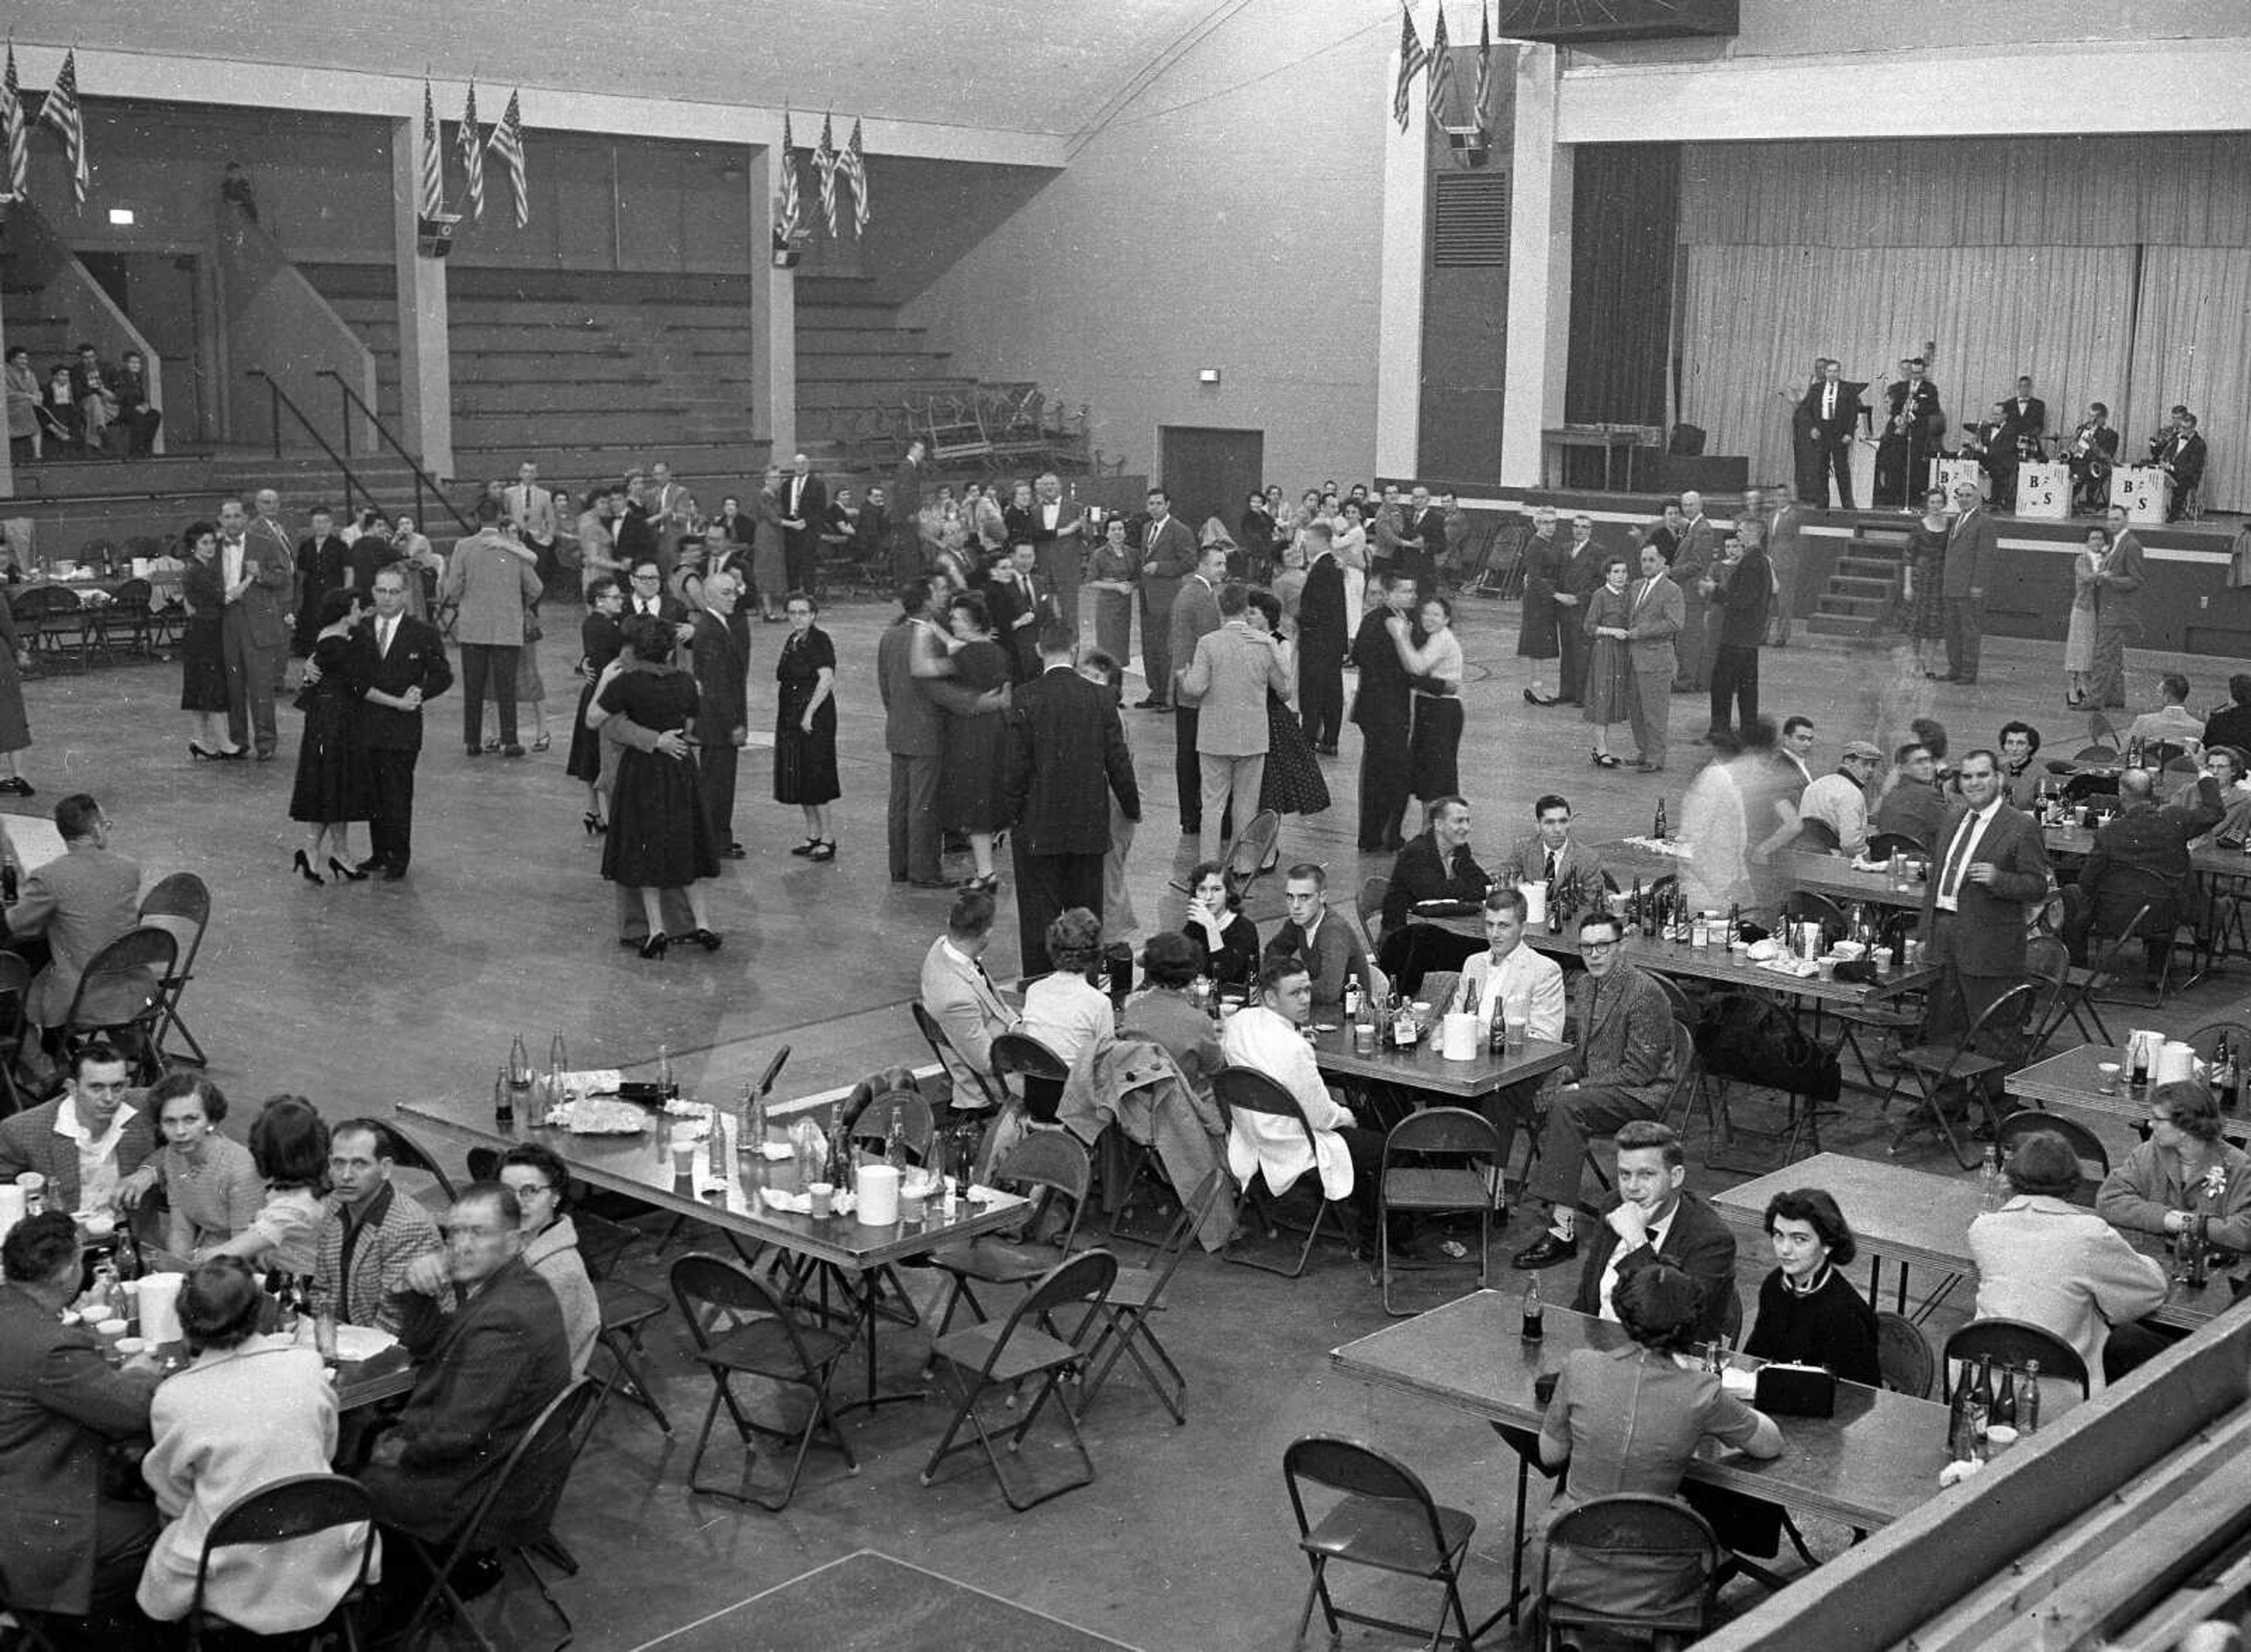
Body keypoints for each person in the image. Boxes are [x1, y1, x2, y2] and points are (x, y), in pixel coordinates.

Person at [135, 1255, 371, 1636]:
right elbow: (326, 1452)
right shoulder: (308, 1366)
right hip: (324, 1556)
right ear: (260, 1311)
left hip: (229, 1573)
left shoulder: (174, 1396)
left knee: (172, 1534)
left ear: (186, 1325)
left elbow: (172, 1496)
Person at [1537, 1262, 1780, 1619]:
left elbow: (1549, 1453)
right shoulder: (1702, 1391)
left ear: (1624, 1311)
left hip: (1565, 1565)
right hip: (1657, 1579)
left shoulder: (1580, 1366)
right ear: (1687, 1327)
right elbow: (1770, 1443)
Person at [358, 1183, 574, 1544]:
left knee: (346, 1480)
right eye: (454, 1232)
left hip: (482, 1490)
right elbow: (428, 1343)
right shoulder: (516, 1286)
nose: (461, 1245)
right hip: (494, 1464)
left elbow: (457, 1435)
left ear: (514, 1241)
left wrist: (402, 1451)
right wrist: (418, 1291)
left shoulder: (504, 1317)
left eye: (478, 1232)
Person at [0, 1211, 162, 1630]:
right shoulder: (52, 1347)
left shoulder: (16, 1315)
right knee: (162, 1523)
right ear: (71, 1269)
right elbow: (130, 1412)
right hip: (29, 1526)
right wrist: (142, 1371)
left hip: (17, 1489)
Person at [1512, 919, 1679, 1271]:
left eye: (1603, 945)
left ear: (1621, 945)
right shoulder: (1587, 986)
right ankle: (1493, 1195)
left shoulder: (1643, 991)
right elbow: (1585, 1055)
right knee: (1514, 1083)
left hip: (1640, 1093)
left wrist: (1575, 1086)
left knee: (1568, 1106)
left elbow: (1640, 1071)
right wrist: (1562, 1073)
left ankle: (1562, 1231)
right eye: (1587, 947)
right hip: (1601, 1086)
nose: (1595, 954)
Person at [1970, 1130, 2168, 1392]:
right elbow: (2147, 1294)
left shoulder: (1983, 1229)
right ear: (2074, 1181)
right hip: (2060, 1392)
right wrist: (2145, 1262)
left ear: (2012, 1176)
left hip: (1981, 1382)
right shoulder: (2090, 1234)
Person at [1220, 957, 1387, 1251]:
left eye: (1308, 990)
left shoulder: (1238, 1022)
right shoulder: (1294, 1049)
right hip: (1292, 1141)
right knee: (1383, 1147)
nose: (1305, 1000)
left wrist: (1295, 1034)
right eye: (1295, 993)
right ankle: (1375, 1241)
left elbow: (1260, 1050)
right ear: (1270, 998)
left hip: (1250, 1135)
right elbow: (1322, 1117)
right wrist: (1348, 1116)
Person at [1005, 622, 1140, 975]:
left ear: (1039, 650)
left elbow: (1015, 766)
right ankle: (1085, 987)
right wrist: (1131, 807)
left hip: (1038, 826)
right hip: (1088, 826)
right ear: (1075, 648)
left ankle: (1038, 986)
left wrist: (1011, 814)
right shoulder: (1101, 697)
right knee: (1085, 920)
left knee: (1039, 918)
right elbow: (1118, 759)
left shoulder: (1025, 696)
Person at [598, 613, 722, 958]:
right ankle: (702, 923)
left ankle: (656, 930)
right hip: (680, 768)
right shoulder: (685, 682)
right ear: (670, 652)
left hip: (642, 771)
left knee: (645, 848)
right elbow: (692, 716)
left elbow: (602, 720)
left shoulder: (627, 683)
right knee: (687, 844)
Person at [1922, 748, 2050, 1035]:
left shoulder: (2022, 826)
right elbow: (1935, 885)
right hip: (1943, 938)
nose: (1974, 783)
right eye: (1967, 777)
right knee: (1941, 1034)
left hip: (1990, 948)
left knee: (1993, 1037)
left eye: (1982, 775)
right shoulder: (1953, 818)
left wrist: (1999, 879)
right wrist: (1925, 935)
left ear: (2000, 779)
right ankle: (1947, 1081)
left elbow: (2038, 888)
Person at [2062, 766, 2223, 984]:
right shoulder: (2176, 821)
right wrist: (2204, 773)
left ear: (2122, 793)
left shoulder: (2109, 833)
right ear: (2152, 790)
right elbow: (2215, 812)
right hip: (2166, 915)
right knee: (2163, 889)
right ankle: (2156, 973)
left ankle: (2077, 970)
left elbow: (2086, 882)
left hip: (2112, 915)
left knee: (2072, 892)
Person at [5, 794, 149, 1035]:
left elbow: (15, 925)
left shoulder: (50, 877)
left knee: (14, 984)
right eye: (106, 825)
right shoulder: (129, 868)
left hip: (80, 993)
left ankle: (42, 1060)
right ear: (96, 829)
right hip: (132, 987)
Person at [1443, 886, 1567, 1154]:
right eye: (1489, 925)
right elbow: (1456, 1017)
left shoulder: (1544, 971)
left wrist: (1484, 1039)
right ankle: (1446, 1168)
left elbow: (1545, 1040)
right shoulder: (1473, 963)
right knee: (1435, 1090)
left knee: (1495, 1096)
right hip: (1470, 1063)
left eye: (1504, 926)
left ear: (1523, 928)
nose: (1495, 934)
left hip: (1517, 1071)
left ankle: (1491, 1183)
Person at [1181, 580, 1290, 862]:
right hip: (1252, 737)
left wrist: (1184, 678)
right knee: (1245, 805)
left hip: (1215, 737)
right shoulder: (1263, 645)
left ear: (1221, 608)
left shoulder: (1208, 643)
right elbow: (1285, 691)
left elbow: (1195, 688)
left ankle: (1208, 865)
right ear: (1245, 609)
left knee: (1213, 805)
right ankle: (1241, 865)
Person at [316, 1117, 444, 1335]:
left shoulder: (408, 1228)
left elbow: (392, 1327)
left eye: (359, 1164)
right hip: (343, 1341)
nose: (346, 1176)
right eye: (339, 1163)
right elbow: (321, 1289)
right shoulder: (335, 1204)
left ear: (385, 1169)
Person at [115, 1073, 261, 1259]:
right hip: (208, 1251)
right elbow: (181, 1230)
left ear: (212, 1121)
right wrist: (177, 1270)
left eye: (191, 1119)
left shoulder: (240, 1168)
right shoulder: (173, 1156)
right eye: (170, 1121)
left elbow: (245, 1248)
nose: (180, 1132)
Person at [1743, 1188, 1881, 1384]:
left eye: (1800, 1239)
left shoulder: (1845, 1312)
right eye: (1778, 1235)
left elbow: (1855, 1395)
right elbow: (1756, 1355)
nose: (1785, 1249)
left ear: (1827, 1244)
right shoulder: (1775, 1285)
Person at [441, 498, 543, 758]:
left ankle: (473, 741)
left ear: (477, 518)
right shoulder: (514, 548)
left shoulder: (463, 547)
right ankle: (510, 740)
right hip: (507, 626)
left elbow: (453, 589)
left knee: (474, 686)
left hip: (474, 627)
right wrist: (516, 604)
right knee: (506, 687)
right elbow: (536, 589)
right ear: (501, 517)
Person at [287, 589, 374, 886]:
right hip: (335, 720)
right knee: (332, 783)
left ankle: (336, 852)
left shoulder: (330, 637)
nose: (360, 612)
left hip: (327, 718)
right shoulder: (337, 643)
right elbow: (359, 683)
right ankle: (319, 850)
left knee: (333, 785)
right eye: (356, 607)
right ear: (343, 612)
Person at [191, 1095, 328, 1274]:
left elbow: (223, 1256)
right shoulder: (323, 1185)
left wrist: (195, 1256)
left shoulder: (289, 1211)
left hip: (297, 1287)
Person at [934, 591, 1014, 892]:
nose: (952, 621)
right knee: (989, 799)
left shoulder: (962, 656)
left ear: (971, 623)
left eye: (956, 618)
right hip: (997, 732)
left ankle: (986, 873)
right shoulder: (998, 652)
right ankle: (986, 870)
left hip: (970, 737)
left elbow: (931, 673)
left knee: (975, 804)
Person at [497, 1144, 599, 1378]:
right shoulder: (511, 1240)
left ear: (556, 1195)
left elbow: (531, 1362)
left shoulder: (558, 1274)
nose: (517, 1203)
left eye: (529, 1191)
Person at [919, 887, 1019, 1111]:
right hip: (1000, 1084)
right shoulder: (956, 998)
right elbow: (986, 1062)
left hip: (1005, 1036)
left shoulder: (943, 948)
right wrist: (1029, 1043)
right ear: (986, 935)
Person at [216, 495, 293, 761]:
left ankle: (266, 742)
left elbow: (283, 576)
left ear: (246, 519)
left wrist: (260, 574)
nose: (233, 521)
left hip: (258, 621)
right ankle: (238, 741)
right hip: (226, 621)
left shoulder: (264, 543)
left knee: (261, 686)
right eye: (227, 517)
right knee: (233, 686)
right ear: (220, 521)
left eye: (237, 516)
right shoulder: (214, 547)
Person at [1243, 589, 1328, 822]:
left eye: (1253, 613)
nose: (1248, 617)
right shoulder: (1246, 637)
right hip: (1251, 710)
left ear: (1267, 616)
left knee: (1273, 782)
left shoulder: (1281, 642)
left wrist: (1269, 643)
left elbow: (1287, 671)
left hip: (1273, 714)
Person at [1352, 572, 1417, 853]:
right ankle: (1389, 835)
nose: (1412, 596)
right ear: (1389, 594)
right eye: (1405, 590)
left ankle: (1372, 835)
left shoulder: (1376, 619)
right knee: (1393, 775)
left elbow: (1357, 657)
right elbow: (1406, 669)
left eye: (1413, 590)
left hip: (1375, 710)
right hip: (1387, 711)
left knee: (1377, 774)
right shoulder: (1389, 623)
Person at [773, 592, 841, 861]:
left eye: (803, 612)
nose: (797, 617)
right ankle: (813, 833)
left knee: (816, 774)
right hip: (791, 713)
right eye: (792, 613)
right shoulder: (793, 640)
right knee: (799, 773)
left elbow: (826, 679)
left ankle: (828, 837)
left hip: (814, 715)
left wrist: (809, 714)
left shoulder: (820, 640)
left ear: (813, 615)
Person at [1168, 542, 1227, 834]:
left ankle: (1189, 816)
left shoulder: (1193, 593)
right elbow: (1210, 642)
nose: (1223, 570)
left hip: (1187, 685)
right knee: (1193, 755)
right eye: (1218, 564)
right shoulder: (1201, 597)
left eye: (1224, 564)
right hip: (1196, 688)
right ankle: (1193, 816)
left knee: (1188, 754)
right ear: (1202, 565)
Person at [176, 520, 244, 760]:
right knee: (211, 686)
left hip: (202, 630)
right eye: (204, 543)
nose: (209, 547)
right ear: (194, 546)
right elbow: (224, 598)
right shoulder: (197, 570)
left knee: (199, 687)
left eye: (211, 542)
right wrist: (250, 579)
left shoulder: (201, 568)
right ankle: (224, 744)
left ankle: (201, 741)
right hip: (204, 633)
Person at [565, 576, 627, 835]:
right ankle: (603, 813)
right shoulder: (604, 626)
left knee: (591, 754)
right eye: (615, 597)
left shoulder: (595, 623)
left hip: (595, 693)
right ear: (600, 600)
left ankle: (593, 810)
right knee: (602, 755)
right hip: (605, 694)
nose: (620, 600)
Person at [1380, 795, 1488, 933]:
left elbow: (1484, 884)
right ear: (1439, 824)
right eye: (1459, 821)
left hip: (1441, 926)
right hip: (1405, 934)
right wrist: (1465, 885)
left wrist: (1456, 888)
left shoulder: (1461, 849)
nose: (1466, 828)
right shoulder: (1416, 852)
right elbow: (1432, 893)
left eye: (1468, 821)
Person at [1019, 908, 1112, 1069]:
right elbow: (1107, 1061)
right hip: (1078, 1090)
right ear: (1096, 953)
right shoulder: (1100, 1003)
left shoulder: (1034, 991)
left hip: (1036, 1088)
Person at [1706, 519, 1771, 740]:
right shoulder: (1759, 560)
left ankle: (1720, 730)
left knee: (1723, 684)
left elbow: (1743, 600)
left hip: (1737, 636)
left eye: (1742, 531)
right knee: (1747, 688)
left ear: (1753, 534)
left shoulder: (1752, 562)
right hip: (1749, 636)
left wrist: (1715, 591)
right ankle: (1748, 731)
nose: (1738, 534)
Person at [1396, 594, 1464, 802]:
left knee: (1436, 774)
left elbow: (1417, 667)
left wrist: (1401, 638)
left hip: (1441, 709)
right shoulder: (1433, 637)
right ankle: (1428, 827)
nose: (1429, 618)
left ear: (1446, 619)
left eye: (1436, 614)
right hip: (1432, 705)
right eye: (1426, 613)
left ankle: (1432, 827)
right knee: (1428, 774)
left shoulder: (1441, 638)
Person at [1576, 553, 1636, 767]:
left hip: (1621, 652)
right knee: (1603, 699)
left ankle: (1602, 748)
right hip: (1605, 652)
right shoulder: (1600, 595)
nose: (1621, 576)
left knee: (1613, 699)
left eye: (1624, 572)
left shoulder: (1629, 595)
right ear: (1608, 575)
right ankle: (1601, 749)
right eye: (1616, 572)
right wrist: (1613, 631)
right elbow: (1589, 627)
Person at [1296, 522, 1348, 754]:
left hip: (1318, 641)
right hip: (1331, 641)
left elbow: (1318, 609)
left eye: (1308, 539)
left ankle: (1309, 738)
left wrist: (1298, 620)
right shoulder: (1332, 566)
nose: (1305, 543)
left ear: (1320, 540)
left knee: (1313, 691)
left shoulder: (1323, 568)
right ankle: (1329, 738)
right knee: (1331, 690)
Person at [1498, 793, 1606, 896]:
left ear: (1570, 822)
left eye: (1563, 821)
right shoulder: (1524, 849)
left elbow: (1594, 904)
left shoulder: (1589, 859)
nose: (1558, 829)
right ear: (1538, 825)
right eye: (1550, 822)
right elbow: (1502, 880)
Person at [1876, 356, 1946, 509]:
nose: (1915, 376)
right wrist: (1897, 418)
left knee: (1914, 465)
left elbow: (1934, 409)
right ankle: (1895, 496)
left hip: (1917, 431)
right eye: (1913, 372)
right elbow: (1894, 408)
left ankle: (1912, 498)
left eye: (1919, 373)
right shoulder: (1900, 387)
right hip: (1900, 430)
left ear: (1923, 372)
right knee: (1896, 462)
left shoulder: (1930, 389)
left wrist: (1918, 409)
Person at [1796, 740, 1884, 856]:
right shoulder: (1852, 793)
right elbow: (1850, 844)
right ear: (1848, 762)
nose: (1870, 770)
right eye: (1865, 764)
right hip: (1834, 861)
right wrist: (1868, 857)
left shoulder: (1816, 784)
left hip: (1802, 855)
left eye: (1873, 765)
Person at [1184, 858, 1259, 988]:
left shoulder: (1245, 928)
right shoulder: (1196, 924)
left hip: (1233, 1000)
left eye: (1216, 890)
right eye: (1202, 890)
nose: (1208, 897)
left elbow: (1224, 974)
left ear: (1229, 893)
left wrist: (1212, 927)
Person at [1667, 493, 1716, 694]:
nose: (1687, 509)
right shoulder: (1693, 527)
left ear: (1700, 505)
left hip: (1692, 593)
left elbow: (1698, 564)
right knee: (1685, 638)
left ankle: (1687, 680)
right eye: (1685, 505)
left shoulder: (1702, 530)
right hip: (1686, 591)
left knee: (1688, 639)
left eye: (1691, 505)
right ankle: (1688, 678)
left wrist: (1671, 572)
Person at [291, 505, 352, 664]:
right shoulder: (306, 546)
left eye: (325, 522)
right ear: (312, 524)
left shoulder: (340, 546)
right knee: (311, 630)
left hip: (333, 595)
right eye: (317, 522)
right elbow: (302, 574)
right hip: (311, 597)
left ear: (331, 524)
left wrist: (347, 595)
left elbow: (349, 572)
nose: (321, 526)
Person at [1804, 359, 1867, 510]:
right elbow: (1807, 409)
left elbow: (1853, 413)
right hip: (1822, 431)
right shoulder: (1816, 389)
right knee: (1821, 468)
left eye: (1835, 371)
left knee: (1842, 469)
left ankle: (1847, 503)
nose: (1832, 374)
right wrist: (1812, 427)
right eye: (1830, 371)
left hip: (1839, 432)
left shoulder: (1848, 389)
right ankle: (1822, 502)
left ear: (1839, 372)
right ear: (1825, 373)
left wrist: (1849, 433)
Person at [1871, 741, 1947, 852]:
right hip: (1920, 862)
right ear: (1902, 769)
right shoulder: (1930, 794)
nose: (1927, 766)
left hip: (1888, 859)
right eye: (1919, 762)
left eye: (1930, 761)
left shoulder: (1892, 793)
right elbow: (1951, 829)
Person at [1087, 514, 1138, 672]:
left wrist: (1131, 585)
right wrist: (1115, 586)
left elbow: (1137, 578)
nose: (1118, 533)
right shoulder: (1099, 555)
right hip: (1107, 606)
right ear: (1107, 533)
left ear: (1125, 532)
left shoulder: (1132, 553)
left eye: (1121, 529)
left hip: (1125, 606)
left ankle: (1119, 673)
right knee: (1108, 643)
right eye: (1113, 529)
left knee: (1121, 643)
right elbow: (1091, 581)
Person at [2126, 671, 2206, 756]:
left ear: (2167, 697)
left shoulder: (2144, 722)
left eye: (2160, 692)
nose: (2157, 696)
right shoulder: (2199, 728)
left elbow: (2125, 753)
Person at [4, 345, 39, 464]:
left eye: (26, 359)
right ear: (12, 360)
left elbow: (36, 390)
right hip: (10, 408)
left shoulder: (29, 373)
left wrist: (37, 397)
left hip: (29, 406)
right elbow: (6, 394)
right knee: (25, 408)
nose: (25, 361)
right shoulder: (4, 373)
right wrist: (27, 397)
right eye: (21, 359)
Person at [1998, 721, 2044, 810]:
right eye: (2010, 743)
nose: (2014, 748)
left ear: (2031, 747)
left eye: (2021, 744)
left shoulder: (2042, 776)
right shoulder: (1998, 771)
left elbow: (2047, 812)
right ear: (2004, 746)